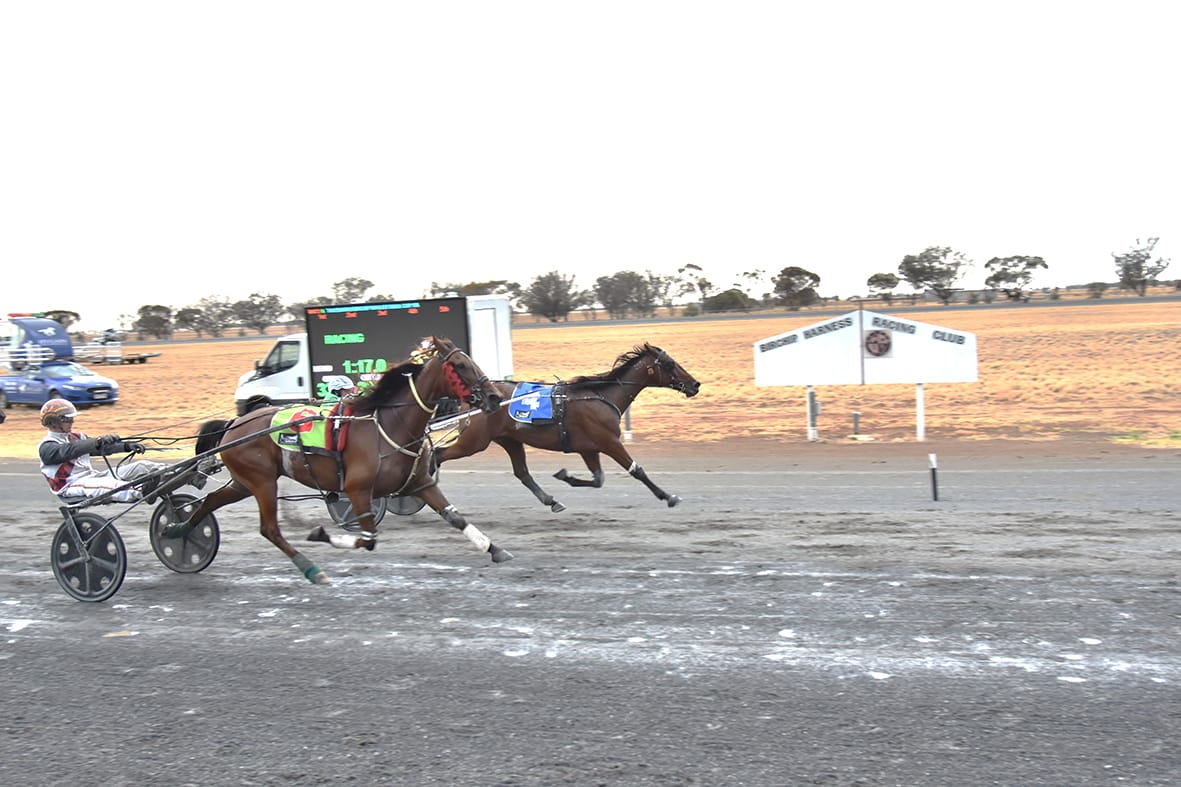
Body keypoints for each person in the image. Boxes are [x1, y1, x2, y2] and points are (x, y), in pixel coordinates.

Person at [37, 398, 169, 503]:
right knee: (111, 484)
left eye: (72, 418)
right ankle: (141, 491)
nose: (72, 421)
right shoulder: (47, 446)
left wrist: (126, 446)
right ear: (53, 422)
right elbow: (70, 450)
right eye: (67, 419)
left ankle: (173, 472)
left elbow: (100, 448)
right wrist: (97, 441)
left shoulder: (77, 437)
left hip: (92, 477)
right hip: (71, 486)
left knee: (141, 465)